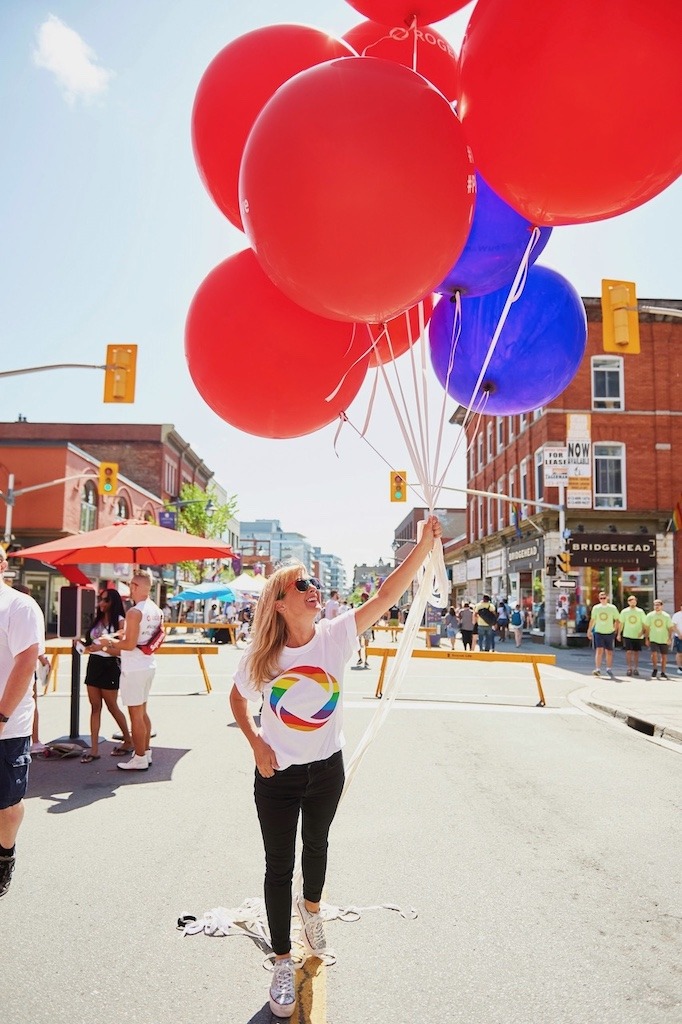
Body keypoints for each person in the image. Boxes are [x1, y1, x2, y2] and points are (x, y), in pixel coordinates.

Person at [229, 516, 442, 1018]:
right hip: (276, 778)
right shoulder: (264, 655)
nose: (313, 588)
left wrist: (423, 543)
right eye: (301, 584)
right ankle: (282, 958)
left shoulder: (336, 635)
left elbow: (389, 593)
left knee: (318, 846)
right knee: (278, 868)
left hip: (327, 769)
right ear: (279, 602)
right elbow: (238, 702)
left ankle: (313, 910)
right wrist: (257, 743)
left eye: (314, 582)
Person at [0, 554, 45, 898]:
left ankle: (4, 855)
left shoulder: (18, 605)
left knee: (8, 805)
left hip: (7, 726)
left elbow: (27, 660)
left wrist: (0, 717)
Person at [100, 569, 162, 770]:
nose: (130, 588)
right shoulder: (155, 609)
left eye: (131, 585)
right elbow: (143, 637)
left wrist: (108, 642)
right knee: (143, 712)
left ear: (136, 586)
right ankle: (146, 752)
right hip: (148, 664)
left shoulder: (134, 612)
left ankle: (140, 757)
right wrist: (121, 635)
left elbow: (128, 645)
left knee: (135, 715)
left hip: (134, 667)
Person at [80, 589, 133, 763]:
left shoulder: (120, 621)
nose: (101, 603)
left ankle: (128, 739)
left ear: (113, 602)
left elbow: (122, 649)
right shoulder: (97, 620)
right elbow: (91, 645)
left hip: (110, 666)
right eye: (100, 600)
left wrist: (102, 648)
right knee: (95, 707)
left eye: (105, 600)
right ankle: (94, 750)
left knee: (112, 706)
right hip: (94, 664)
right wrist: (82, 646)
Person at [587, 591, 619, 679]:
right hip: (598, 631)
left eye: (604, 598)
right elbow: (593, 620)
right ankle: (597, 669)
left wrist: (615, 629)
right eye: (601, 598)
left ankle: (608, 668)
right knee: (599, 650)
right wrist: (589, 630)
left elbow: (617, 619)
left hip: (609, 632)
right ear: (599, 599)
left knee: (609, 651)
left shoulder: (612, 608)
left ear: (607, 598)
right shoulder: (596, 608)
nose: (603, 600)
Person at [617, 595, 647, 677]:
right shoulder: (624, 611)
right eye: (630, 600)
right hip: (627, 634)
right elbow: (621, 623)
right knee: (628, 651)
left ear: (636, 601)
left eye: (633, 600)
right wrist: (619, 634)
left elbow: (644, 623)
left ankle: (636, 668)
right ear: (628, 602)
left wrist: (643, 632)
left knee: (636, 652)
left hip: (637, 635)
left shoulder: (640, 611)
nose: (632, 602)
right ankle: (629, 668)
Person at [644, 599, 674, 679]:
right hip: (653, 638)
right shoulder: (650, 615)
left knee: (664, 656)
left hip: (663, 638)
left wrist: (669, 638)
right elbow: (647, 628)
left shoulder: (666, 616)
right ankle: (655, 669)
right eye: (655, 605)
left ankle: (663, 672)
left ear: (661, 606)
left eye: (658, 605)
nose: (657, 606)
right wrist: (646, 638)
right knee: (654, 654)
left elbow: (670, 628)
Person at [673, 600, 682, 676]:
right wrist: (679, 634)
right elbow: (674, 626)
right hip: (679, 636)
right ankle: (679, 667)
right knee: (679, 653)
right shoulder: (677, 615)